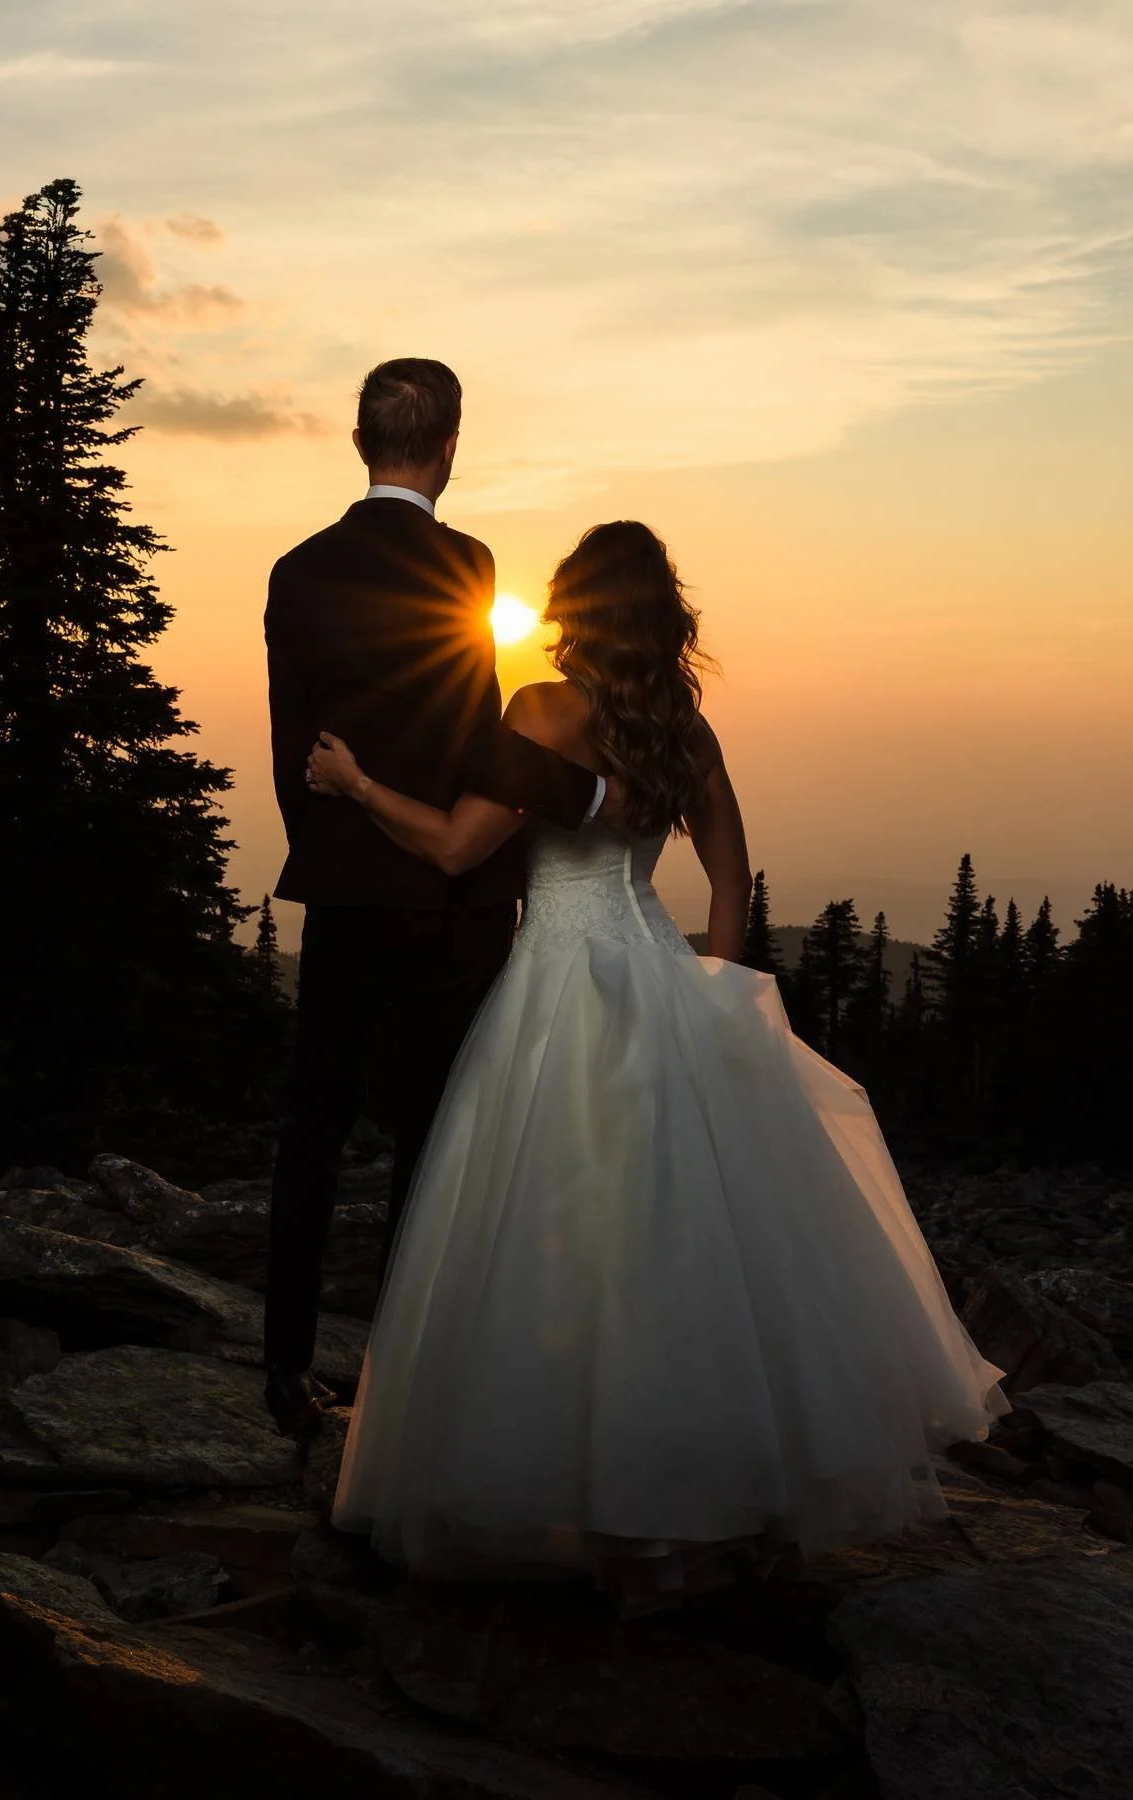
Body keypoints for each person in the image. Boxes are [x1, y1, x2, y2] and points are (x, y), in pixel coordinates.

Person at [308, 519, 1008, 1612]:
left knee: (562, 1234)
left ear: (573, 606)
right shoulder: (683, 726)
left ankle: (576, 1496)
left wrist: (354, 785)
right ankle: (699, 1504)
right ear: (661, 615)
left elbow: (453, 847)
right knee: (680, 1244)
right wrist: (716, 992)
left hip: (555, 988)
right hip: (660, 974)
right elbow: (730, 880)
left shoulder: (540, 707)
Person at [262, 358, 618, 1440]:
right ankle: (400, 1381)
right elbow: (470, 735)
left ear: (358, 441)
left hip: (343, 884)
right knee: (433, 1134)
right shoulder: (466, 563)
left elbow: (292, 745)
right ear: (451, 445)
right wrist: (582, 794)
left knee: (314, 1121)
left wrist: (335, 835)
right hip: (449, 896)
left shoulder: (297, 570)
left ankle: (283, 1373)